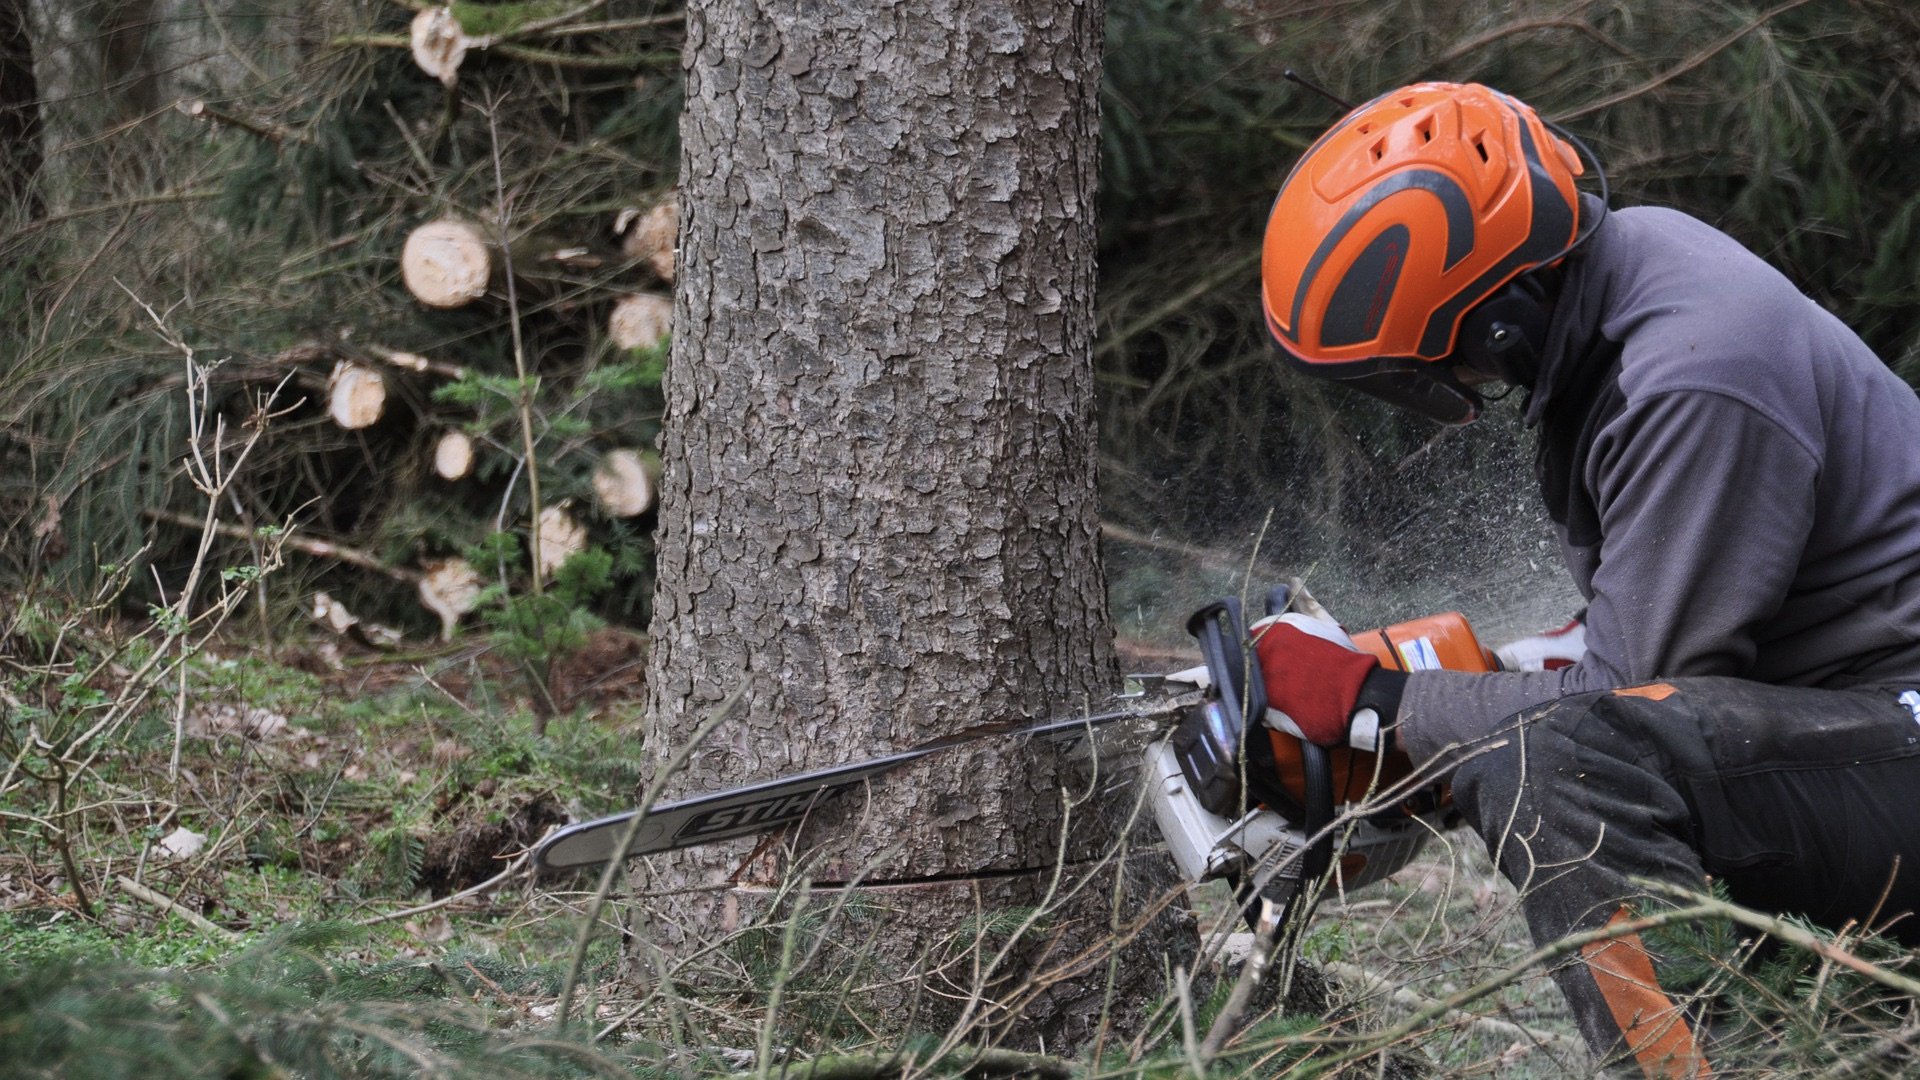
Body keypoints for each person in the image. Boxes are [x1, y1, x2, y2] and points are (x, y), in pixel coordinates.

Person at [1246, 81, 1920, 1078]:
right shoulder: (1627, 281)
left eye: (1429, 365)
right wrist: (1447, 685)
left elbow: (1622, 705)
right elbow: (1651, 632)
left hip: (1895, 725)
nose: (1445, 387)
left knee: (1560, 772)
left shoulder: (1693, 373)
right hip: (1857, 718)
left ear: (1497, 324)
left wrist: (1384, 706)